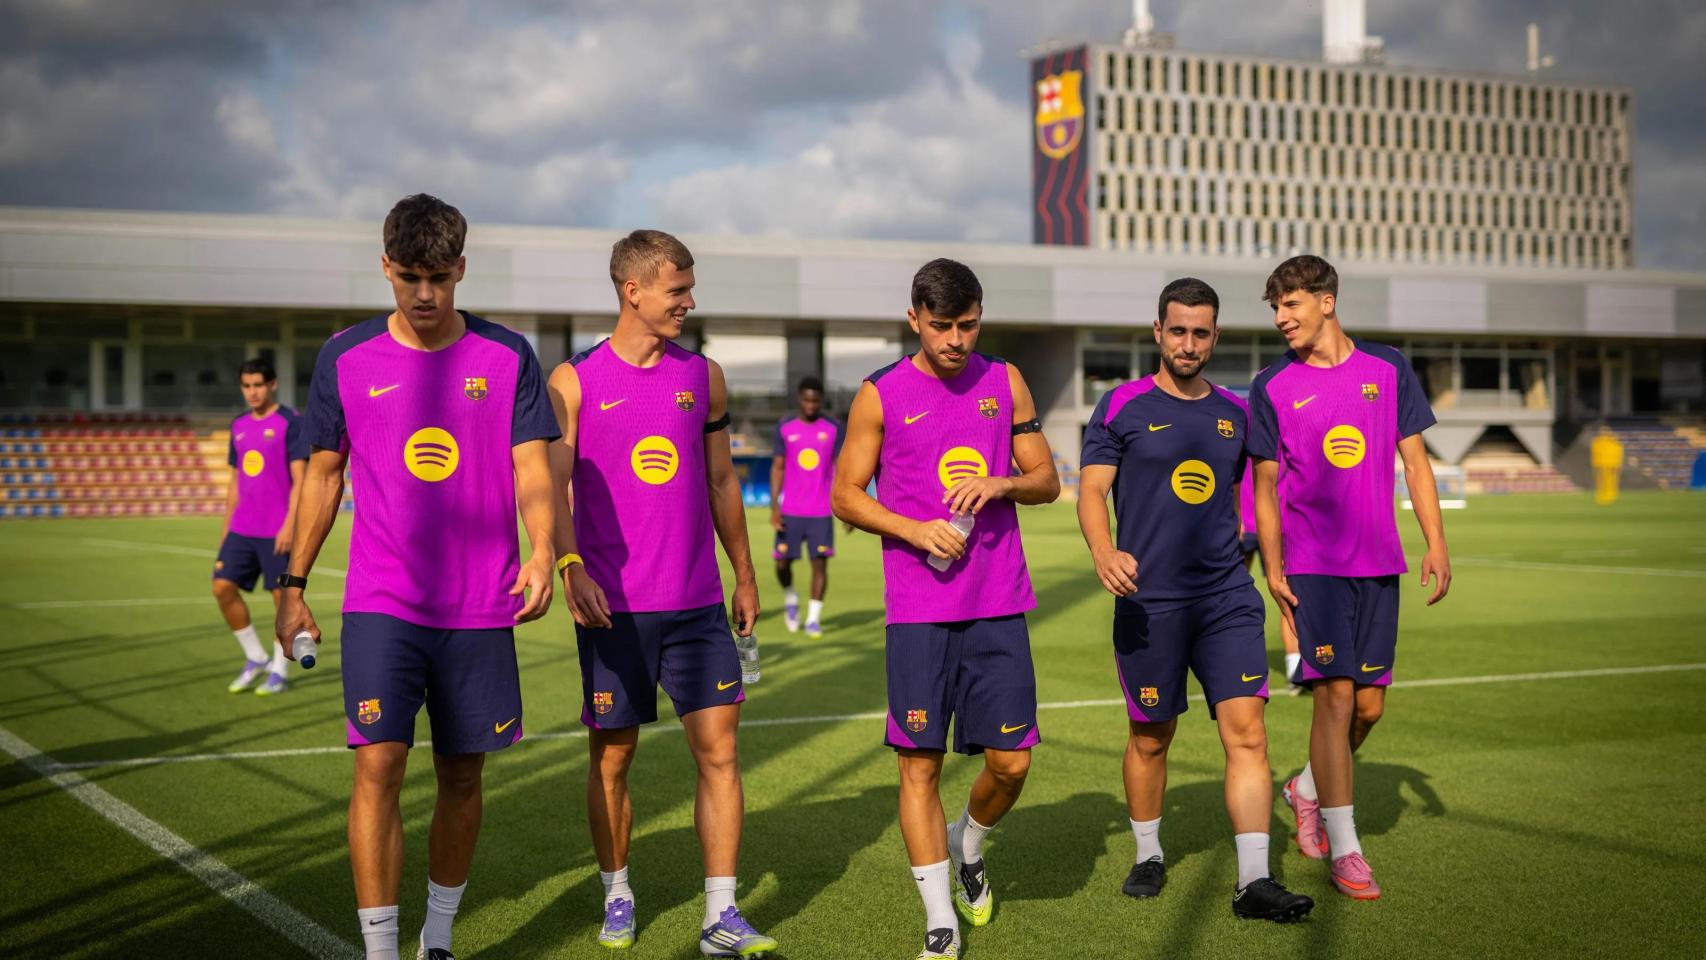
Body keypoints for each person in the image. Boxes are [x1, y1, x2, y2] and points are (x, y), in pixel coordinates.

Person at [276, 194, 558, 960]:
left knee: (463, 776)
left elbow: (533, 468)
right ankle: (379, 950)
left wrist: (541, 551)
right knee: (378, 764)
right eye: (408, 277)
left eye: (438, 276)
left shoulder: (507, 356)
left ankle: (437, 938)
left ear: (462, 269)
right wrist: (291, 584)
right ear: (385, 269)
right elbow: (323, 478)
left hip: (480, 603)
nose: (424, 293)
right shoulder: (345, 355)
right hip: (382, 602)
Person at [546, 229, 776, 958]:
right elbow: (548, 485)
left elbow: (718, 481)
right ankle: (617, 892)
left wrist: (742, 572)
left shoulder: (703, 376)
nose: (688, 301)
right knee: (612, 759)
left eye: (689, 288)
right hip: (613, 606)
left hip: (698, 604)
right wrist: (567, 565)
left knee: (720, 755)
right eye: (678, 290)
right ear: (632, 290)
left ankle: (721, 913)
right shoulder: (572, 382)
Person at [833, 258, 1059, 960]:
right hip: (918, 612)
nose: (957, 340)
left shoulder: (1005, 381)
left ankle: (971, 842)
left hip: (997, 601)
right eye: (942, 327)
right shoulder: (880, 394)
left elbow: (1047, 480)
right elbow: (845, 494)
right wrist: (910, 527)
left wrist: (1002, 482)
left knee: (1012, 764)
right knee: (918, 765)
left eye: (968, 324)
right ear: (914, 320)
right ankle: (939, 916)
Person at [1077, 277, 1313, 922]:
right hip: (1149, 603)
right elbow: (1092, 491)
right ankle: (1148, 852)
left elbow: (1265, 495)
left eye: (1201, 332)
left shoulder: (1235, 414)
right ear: (1158, 332)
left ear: (1215, 336)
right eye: (1177, 330)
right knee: (1152, 737)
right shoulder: (1120, 406)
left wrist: (1279, 569)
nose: (1188, 343)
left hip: (1226, 597)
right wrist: (1104, 551)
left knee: (1249, 734)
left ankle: (1254, 881)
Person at [1248, 255, 1452, 901]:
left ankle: (1305, 787)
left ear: (1327, 302)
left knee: (1369, 707)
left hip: (1380, 562)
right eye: (1275, 307)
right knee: (1335, 697)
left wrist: (1437, 545)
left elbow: (1415, 464)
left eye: (1291, 304)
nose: (1281, 318)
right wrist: (1275, 567)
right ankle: (1346, 847)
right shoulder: (1271, 385)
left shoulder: (1388, 369)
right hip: (1313, 565)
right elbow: (1265, 486)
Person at [214, 357, 307, 695]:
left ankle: (280, 670)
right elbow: (235, 483)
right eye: (246, 386)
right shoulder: (238, 425)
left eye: (258, 385)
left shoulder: (291, 422)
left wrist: (289, 526)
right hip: (242, 528)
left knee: (281, 598)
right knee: (222, 587)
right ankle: (255, 657)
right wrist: (226, 528)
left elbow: (301, 480)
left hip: (276, 529)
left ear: (272, 385)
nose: (252, 392)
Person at [770, 375, 844, 637]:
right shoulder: (785, 428)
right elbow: (777, 467)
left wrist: (844, 507)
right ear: (800, 399)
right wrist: (774, 507)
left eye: (816, 400)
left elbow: (839, 469)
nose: (811, 405)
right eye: (806, 399)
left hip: (821, 511)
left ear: (821, 400)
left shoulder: (834, 428)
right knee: (781, 564)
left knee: (819, 565)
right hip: (790, 509)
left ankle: (813, 619)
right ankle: (791, 598)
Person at [1237, 461, 1304, 693]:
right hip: (1242, 524)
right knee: (1230, 597)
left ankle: (1296, 669)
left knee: (1288, 594)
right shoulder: (1235, 427)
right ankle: (1230, 662)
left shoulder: (1283, 428)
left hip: (1279, 526)